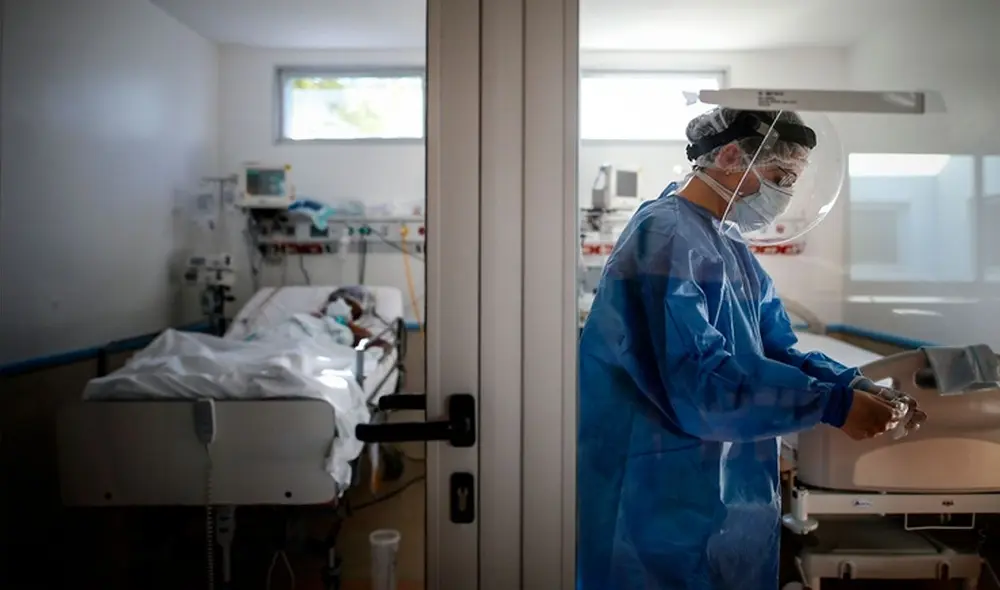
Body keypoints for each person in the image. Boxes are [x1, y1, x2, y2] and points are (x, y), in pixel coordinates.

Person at [577, 108, 904, 590]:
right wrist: (832, 404)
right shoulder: (666, 234)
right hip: (653, 485)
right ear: (731, 155)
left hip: (715, 481)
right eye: (781, 176)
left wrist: (853, 385)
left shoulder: (726, 243)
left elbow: (775, 348)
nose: (784, 195)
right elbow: (698, 379)